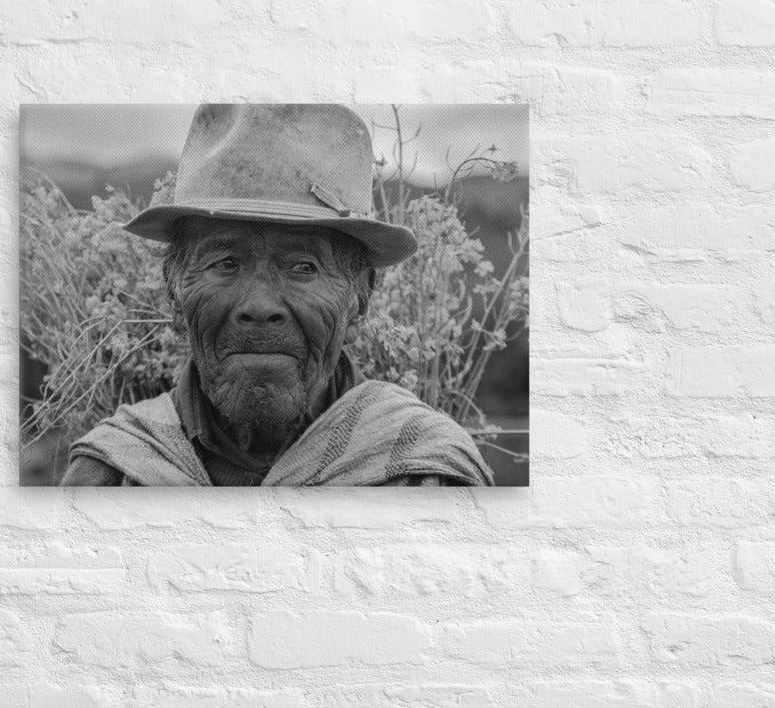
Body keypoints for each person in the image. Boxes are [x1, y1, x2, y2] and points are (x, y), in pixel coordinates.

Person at [60, 104, 493, 487]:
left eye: (303, 268)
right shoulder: (112, 473)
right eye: (225, 263)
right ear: (174, 292)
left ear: (360, 298)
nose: (260, 307)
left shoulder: (423, 475)